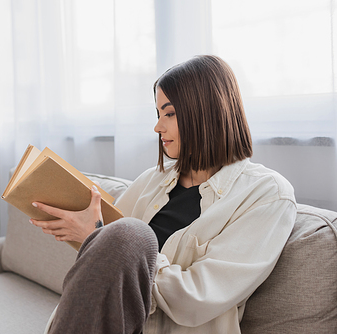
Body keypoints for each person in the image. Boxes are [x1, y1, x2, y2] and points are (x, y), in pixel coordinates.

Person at [30, 55, 297, 334]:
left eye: (169, 113)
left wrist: (102, 237)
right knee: (126, 234)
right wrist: (90, 235)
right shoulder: (152, 180)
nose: (158, 127)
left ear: (207, 112)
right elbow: (109, 264)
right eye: (158, 114)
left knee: (131, 234)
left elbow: (197, 298)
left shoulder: (267, 194)